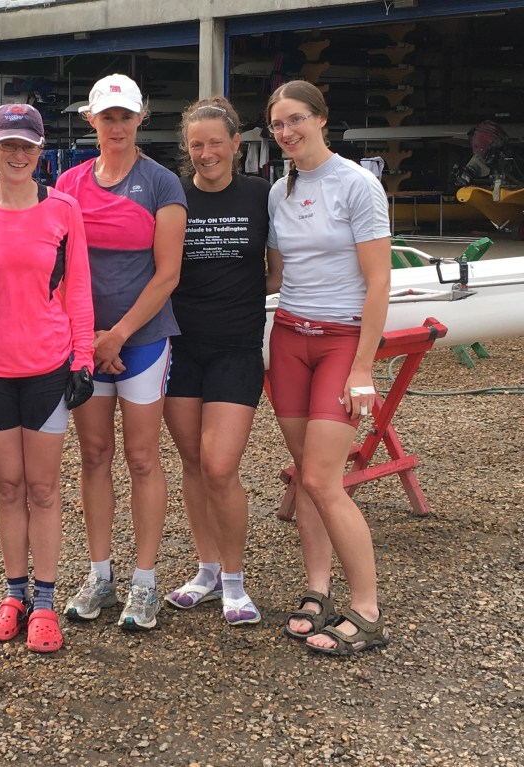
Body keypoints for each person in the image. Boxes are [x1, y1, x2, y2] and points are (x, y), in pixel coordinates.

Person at [55, 74, 187, 631]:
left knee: (141, 457)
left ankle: (146, 580)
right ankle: (100, 574)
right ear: (91, 120)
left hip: (143, 339)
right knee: (93, 456)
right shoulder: (68, 181)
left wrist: (119, 336)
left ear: (142, 118)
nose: (116, 126)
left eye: (125, 116)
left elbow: (168, 274)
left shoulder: (162, 184)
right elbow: (58, 266)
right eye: (106, 117)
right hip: (86, 342)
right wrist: (90, 339)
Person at [264, 80, 392, 655]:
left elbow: (379, 279)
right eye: (277, 125)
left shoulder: (357, 184)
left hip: (342, 341)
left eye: (296, 120)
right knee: (301, 469)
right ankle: (318, 590)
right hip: (290, 335)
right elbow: (273, 274)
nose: (287, 133)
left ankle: (367, 610)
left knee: (322, 478)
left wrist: (364, 365)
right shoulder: (278, 191)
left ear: (320, 118)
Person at [0, 103, 95, 653]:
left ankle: (45, 601)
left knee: (44, 490)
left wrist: (83, 358)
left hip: (48, 365)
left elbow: (80, 289)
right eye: (7, 145)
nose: (17, 155)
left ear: (40, 152)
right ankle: (14, 593)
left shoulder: (63, 209)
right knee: (8, 488)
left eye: (27, 146)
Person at [162, 97, 280, 627]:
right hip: (181, 346)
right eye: (196, 144)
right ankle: (206, 571)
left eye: (216, 142)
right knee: (192, 463)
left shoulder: (261, 195)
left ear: (237, 144)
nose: (206, 153)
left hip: (235, 348)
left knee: (220, 464)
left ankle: (234, 580)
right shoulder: (174, 196)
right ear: (187, 150)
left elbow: (275, 273)